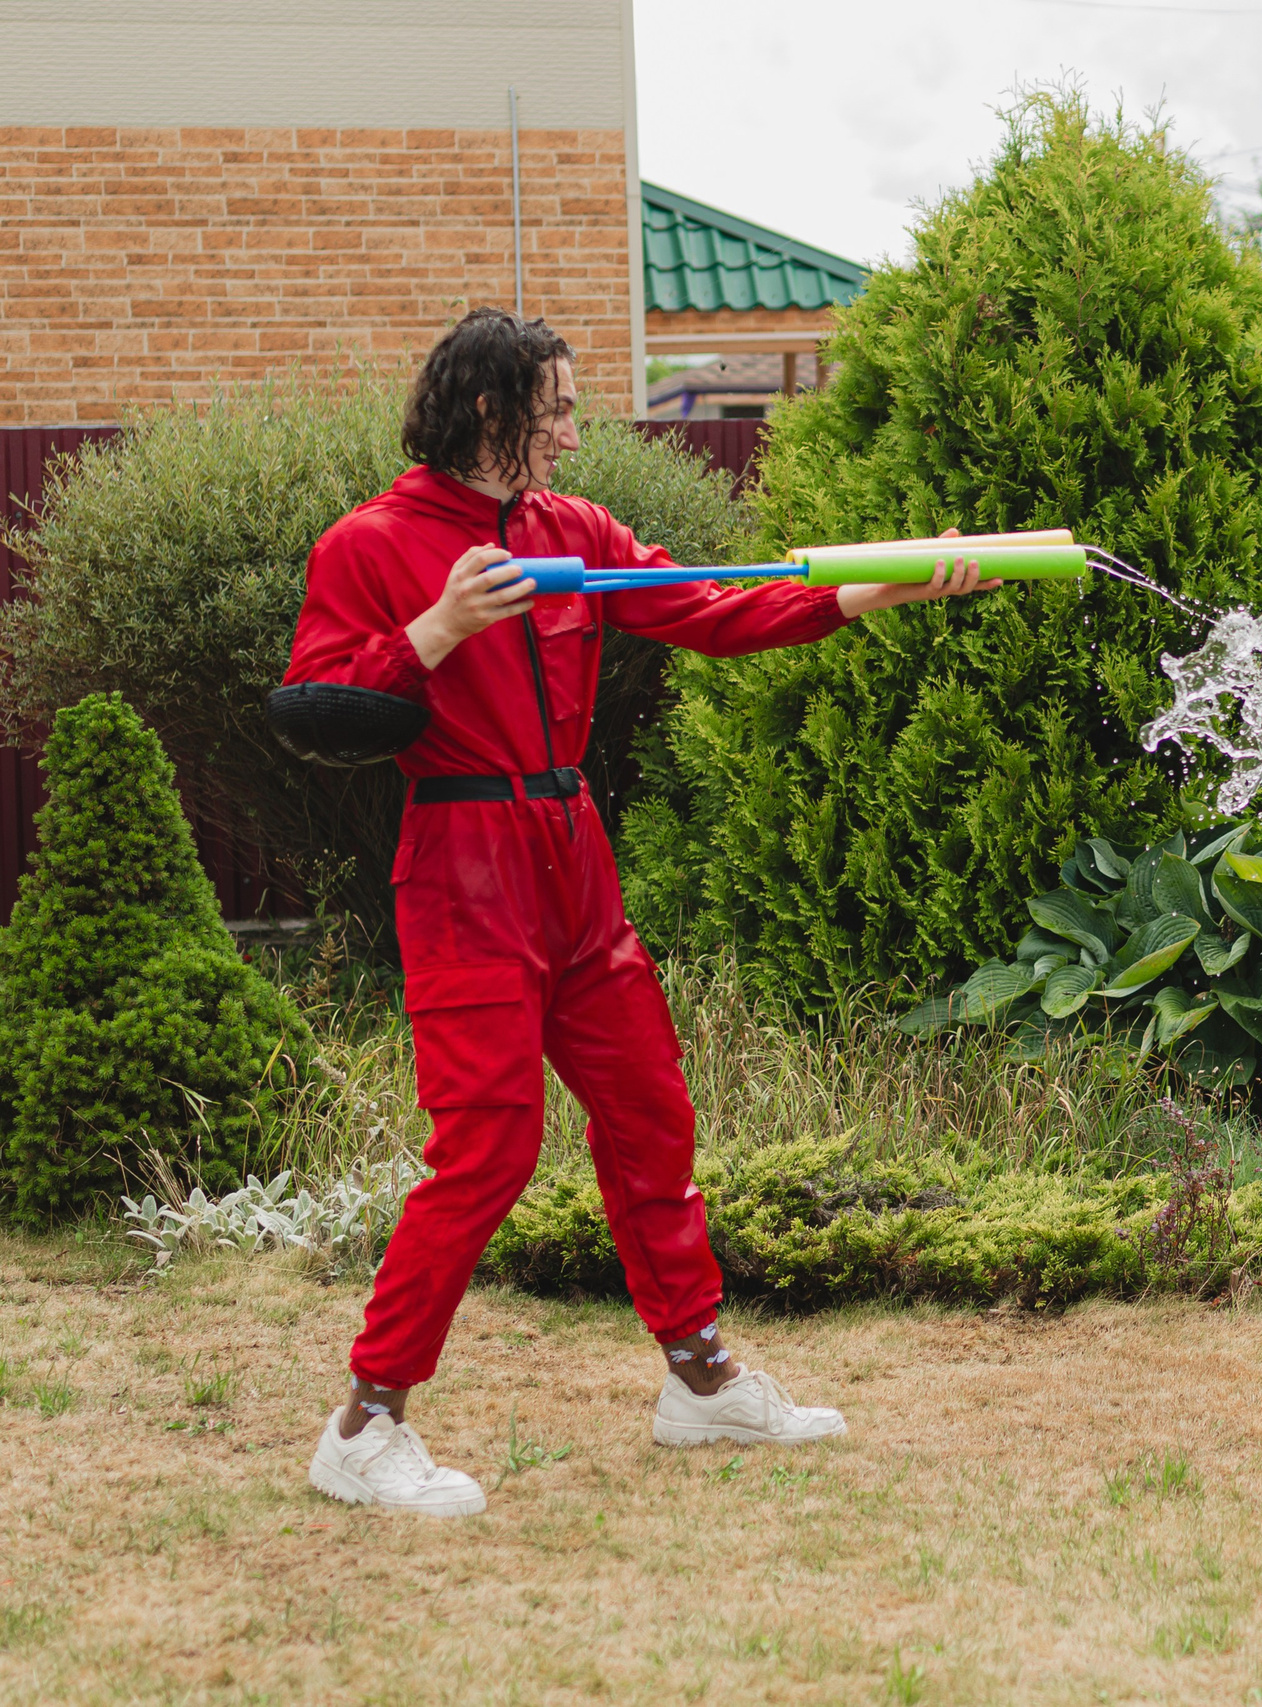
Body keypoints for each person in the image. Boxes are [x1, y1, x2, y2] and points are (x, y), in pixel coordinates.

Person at [290, 309, 996, 1516]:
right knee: (489, 1150)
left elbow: (721, 613)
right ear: (487, 412)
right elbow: (316, 710)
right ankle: (365, 1422)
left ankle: (700, 1382)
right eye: (555, 409)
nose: (574, 431)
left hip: (574, 863)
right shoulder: (372, 543)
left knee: (651, 1118)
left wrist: (882, 587)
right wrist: (441, 626)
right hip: (461, 865)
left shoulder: (579, 533)